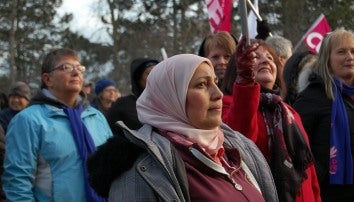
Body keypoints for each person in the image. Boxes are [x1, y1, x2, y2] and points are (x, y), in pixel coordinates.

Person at [87, 54, 279, 201]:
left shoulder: (232, 148)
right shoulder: (141, 171)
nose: (218, 93)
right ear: (170, 98)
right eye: (202, 85)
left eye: (216, 82)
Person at [2, 48, 113, 201]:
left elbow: (113, 168)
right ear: (48, 80)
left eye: (79, 68)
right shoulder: (28, 120)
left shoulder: (96, 117)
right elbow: (17, 182)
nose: (76, 73)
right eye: (66, 68)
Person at [222, 37, 321, 202]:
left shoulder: (289, 112)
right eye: (256, 57)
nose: (265, 61)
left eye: (270, 57)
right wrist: (246, 85)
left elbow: (308, 170)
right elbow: (239, 144)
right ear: (239, 66)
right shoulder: (228, 105)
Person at [293, 29, 354, 201]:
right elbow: (299, 148)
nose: (350, 57)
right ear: (327, 59)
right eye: (341, 52)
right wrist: (321, 174)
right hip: (333, 194)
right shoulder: (311, 98)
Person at [106, 58, 159, 133]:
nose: (156, 77)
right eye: (149, 73)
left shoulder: (172, 103)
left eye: (159, 72)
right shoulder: (123, 106)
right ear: (138, 80)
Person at [0, 81, 31, 201]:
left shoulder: (34, 117)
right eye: (13, 96)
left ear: (27, 100)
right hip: (7, 172)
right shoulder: (2, 118)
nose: (15, 100)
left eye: (19, 97)